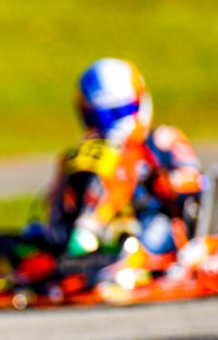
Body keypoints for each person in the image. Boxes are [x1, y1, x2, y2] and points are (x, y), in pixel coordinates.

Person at [50, 58, 206, 260]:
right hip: (101, 229)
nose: (112, 122)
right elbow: (56, 203)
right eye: (102, 116)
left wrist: (166, 181)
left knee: (154, 230)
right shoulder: (84, 153)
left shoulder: (163, 141)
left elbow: (198, 181)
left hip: (154, 226)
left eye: (121, 111)